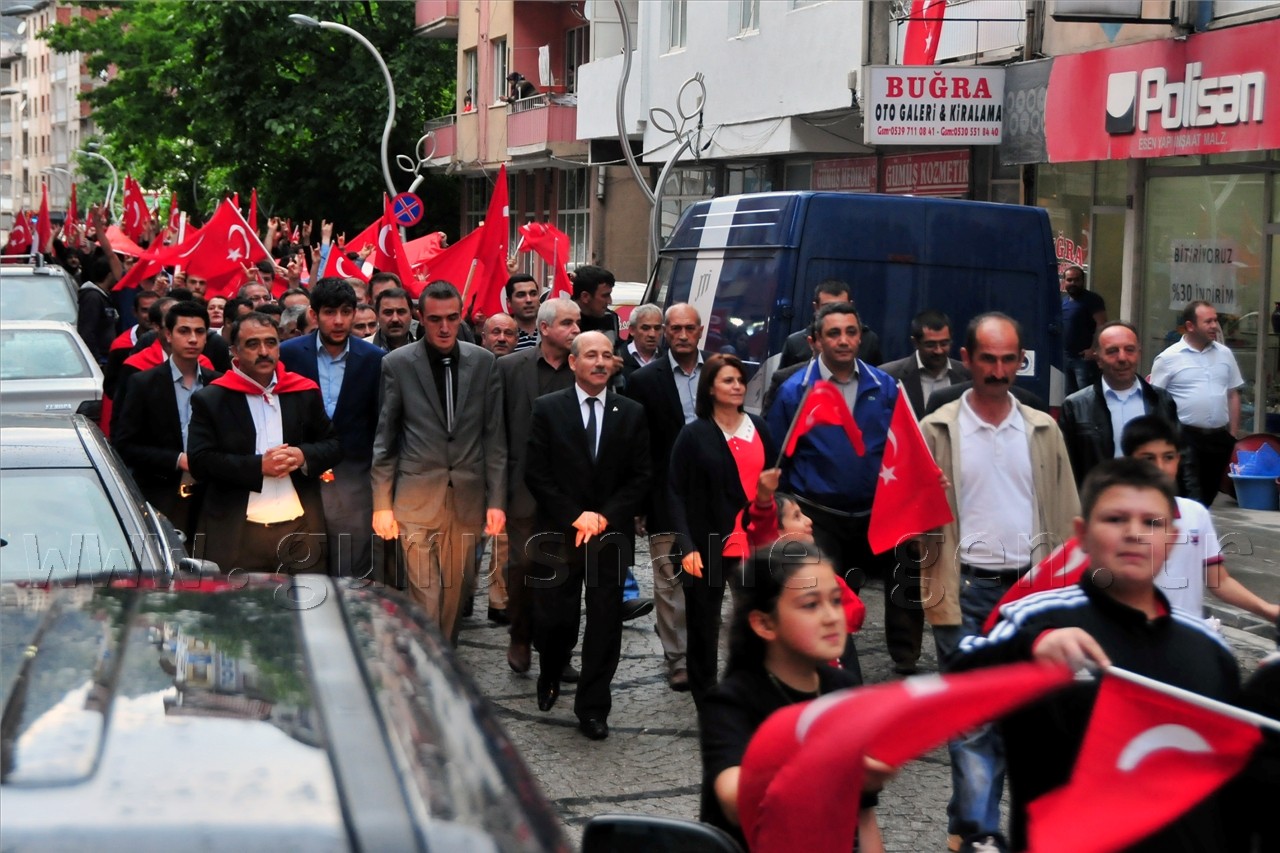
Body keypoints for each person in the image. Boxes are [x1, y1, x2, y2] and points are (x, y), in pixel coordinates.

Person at [953, 458, 1241, 853]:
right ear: (1082, 534)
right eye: (1116, 519)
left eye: (1152, 523)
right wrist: (1030, 647)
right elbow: (956, 686)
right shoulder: (1036, 618)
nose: (1134, 534)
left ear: (1173, 539)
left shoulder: (1209, 651)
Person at [918, 312, 1079, 852]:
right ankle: (984, 834)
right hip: (962, 587)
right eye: (988, 358)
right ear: (966, 359)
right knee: (972, 718)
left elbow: (1067, 511)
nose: (999, 370)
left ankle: (964, 824)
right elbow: (899, 521)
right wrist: (923, 495)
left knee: (1024, 717)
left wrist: (1070, 587)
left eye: (1009, 359)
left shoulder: (1042, 429)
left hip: (1032, 593)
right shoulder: (936, 428)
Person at [699, 547, 885, 853]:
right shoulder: (731, 701)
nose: (831, 617)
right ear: (765, 624)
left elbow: (864, 816)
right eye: (811, 605)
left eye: (836, 600)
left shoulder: (843, 689)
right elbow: (736, 799)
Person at [766, 302, 906, 678]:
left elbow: (904, 447)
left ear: (861, 337)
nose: (843, 341)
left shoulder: (885, 386)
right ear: (815, 341)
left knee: (869, 598)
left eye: (850, 332)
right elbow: (776, 458)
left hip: (872, 516)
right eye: (834, 333)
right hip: (819, 517)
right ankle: (836, 681)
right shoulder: (795, 391)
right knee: (825, 603)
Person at [524, 331, 651, 740]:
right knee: (555, 618)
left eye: (607, 356)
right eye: (591, 355)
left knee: (604, 624)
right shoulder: (548, 409)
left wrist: (604, 517)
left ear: (615, 364)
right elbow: (536, 473)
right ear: (574, 362)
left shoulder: (630, 412)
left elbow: (640, 476)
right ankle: (551, 668)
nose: (600, 362)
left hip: (609, 537)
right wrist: (575, 515)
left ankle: (593, 707)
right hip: (559, 534)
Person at [371, 280, 507, 646]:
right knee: (425, 592)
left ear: (461, 316)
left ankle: (442, 655)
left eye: (451, 318)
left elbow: (494, 438)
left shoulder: (483, 362)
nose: (444, 327)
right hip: (415, 497)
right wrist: (382, 504)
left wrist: (496, 501)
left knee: (455, 593)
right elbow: (385, 439)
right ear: (421, 319)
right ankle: (430, 663)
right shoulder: (397, 364)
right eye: (434, 319)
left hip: (467, 496)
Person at [187, 312, 341, 572]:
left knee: (307, 607)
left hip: (300, 529)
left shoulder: (302, 391)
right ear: (234, 351)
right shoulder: (212, 399)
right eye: (252, 344)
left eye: (271, 343)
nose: (263, 351)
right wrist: (258, 466)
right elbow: (200, 461)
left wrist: (302, 456)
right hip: (238, 533)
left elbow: (335, 444)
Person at [668, 354, 777, 706]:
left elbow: (775, 480)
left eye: (740, 381)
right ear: (710, 388)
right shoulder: (693, 434)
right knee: (704, 622)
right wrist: (686, 546)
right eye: (728, 381)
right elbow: (675, 492)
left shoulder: (759, 427)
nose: (737, 387)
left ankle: (748, 683)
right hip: (707, 542)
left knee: (755, 617)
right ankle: (707, 694)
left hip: (756, 541)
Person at [624, 302, 708, 691]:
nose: (682, 335)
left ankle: (703, 652)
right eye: (674, 329)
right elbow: (640, 448)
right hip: (664, 492)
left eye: (689, 328)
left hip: (712, 493)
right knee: (669, 580)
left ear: (701, 330)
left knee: (710, 579)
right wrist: (640, 504)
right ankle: (677, 659)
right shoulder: (645, 380)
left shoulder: (719, 373)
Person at [1121, 415, 1278, 623]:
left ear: (1178, 460)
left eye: (1168, 457)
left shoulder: (1194, 514)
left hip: (1186, 641)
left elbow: (1218, 581)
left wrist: (1268, 610)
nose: (1160, 467)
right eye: (1148, 458)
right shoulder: (1115, 520)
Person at [279, 277, 385, 579]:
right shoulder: (289, 355)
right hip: (301, 481)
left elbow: (380, 424)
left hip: (355, 483)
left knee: (352, 574)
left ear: (355, 312)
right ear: (314, 314)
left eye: (345, 312)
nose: (338, 321)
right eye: (329, 312)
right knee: (303, 570)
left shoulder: (375, 360)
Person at [499, 298, 582, 673]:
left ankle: (558, 651)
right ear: (545, 328)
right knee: (523, 565)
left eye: (577, 323)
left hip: (570, 492)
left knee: (564, 574)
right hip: (522, 489)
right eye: (567, 323)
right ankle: (520, 633)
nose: (575, 330)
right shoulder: (509, 368)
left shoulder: (584, 370)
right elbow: (495, 431)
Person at [112, 300, 221, 540]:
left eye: (199, 332)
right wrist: (177, 459)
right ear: (168, 335)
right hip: (160, 493)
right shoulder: (143, 383)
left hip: (211, 495)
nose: (192, 339)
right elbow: (125, 444)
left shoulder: (219, 384)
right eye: (184, 331)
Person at [1060, 321, 1198, 496]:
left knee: (1158, 525)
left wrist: (1193, 505)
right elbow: (1066, 470)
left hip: (1156, 504)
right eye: (1112, 351)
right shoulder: (1075, 406)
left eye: (1129, 350)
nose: (1122, 358)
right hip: (1102, 508)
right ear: (1098, 359)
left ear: (1139, 354)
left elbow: (1183, 457)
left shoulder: (1161, 400)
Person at [1150, 300, 1244, 506]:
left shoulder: (1224, 354)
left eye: (1215, 320)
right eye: (1208, 321)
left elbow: (1232, 394)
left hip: (1219, 439)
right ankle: (1182, 536)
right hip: (1185, 437)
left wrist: (1232, 434)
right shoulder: (1168, 358)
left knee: (1208, 496)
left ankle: (1197, 535)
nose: (1214, 326)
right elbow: (1155, 401)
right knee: (1187, 497)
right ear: (1190, 326)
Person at [879, 310, 970, 418]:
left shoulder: (968, 374)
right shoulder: (888, 376)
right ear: (915, 343)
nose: (939, 350)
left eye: (944, 343)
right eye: (931, 345)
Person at [778, 279, 882, 369]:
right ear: (816, 307)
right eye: (827, 307)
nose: (834, 313)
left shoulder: (869, 339)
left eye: (841, 306)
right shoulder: (795, 343)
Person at [1060, 265, 1107, 396]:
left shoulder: (1092, 300)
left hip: (1083, 360)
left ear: (1083, 281)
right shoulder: (1063, 302)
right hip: (1066, 358)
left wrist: (1093, 349)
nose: (1073, 283)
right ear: (1064, 282)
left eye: (1077, 280)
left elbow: (1102, 325)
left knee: (1087, 396)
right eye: (1069, 280)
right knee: (1070, 397)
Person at [571, 265, 621, 345]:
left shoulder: (610, 318)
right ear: (585, 296)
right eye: (605, 295)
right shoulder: (563, 321)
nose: (610, 301)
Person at [617, 302, 662, 383]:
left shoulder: (669, 360)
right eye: (645, 328)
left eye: (657, 328)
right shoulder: (617, 359)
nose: (652, 334)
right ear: (632, 330)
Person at [371, 286, 415, 352]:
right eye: (388, 312)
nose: (395, 319)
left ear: (411, 314)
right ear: (377, 316)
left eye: (401, 312)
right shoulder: (362, 349)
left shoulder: (425, 349)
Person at [505, 274, 541, 351]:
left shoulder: (551, 329)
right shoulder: (503, 335)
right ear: (509, 302)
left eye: (533, 294)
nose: (529, 300)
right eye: (521, 295)